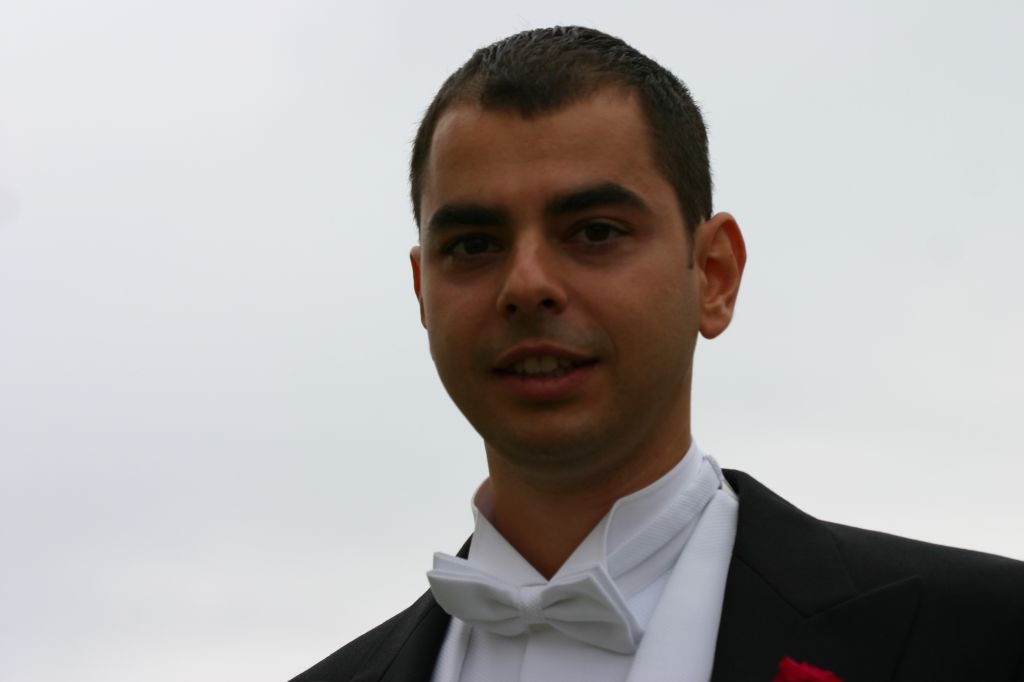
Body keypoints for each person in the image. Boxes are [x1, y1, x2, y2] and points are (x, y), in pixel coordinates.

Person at [290, 26, 1024, 682]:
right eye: (474, 244)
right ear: (423, 290)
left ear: (714, 276)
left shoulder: (990, 638)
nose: (527, 285)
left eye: (595, 232)